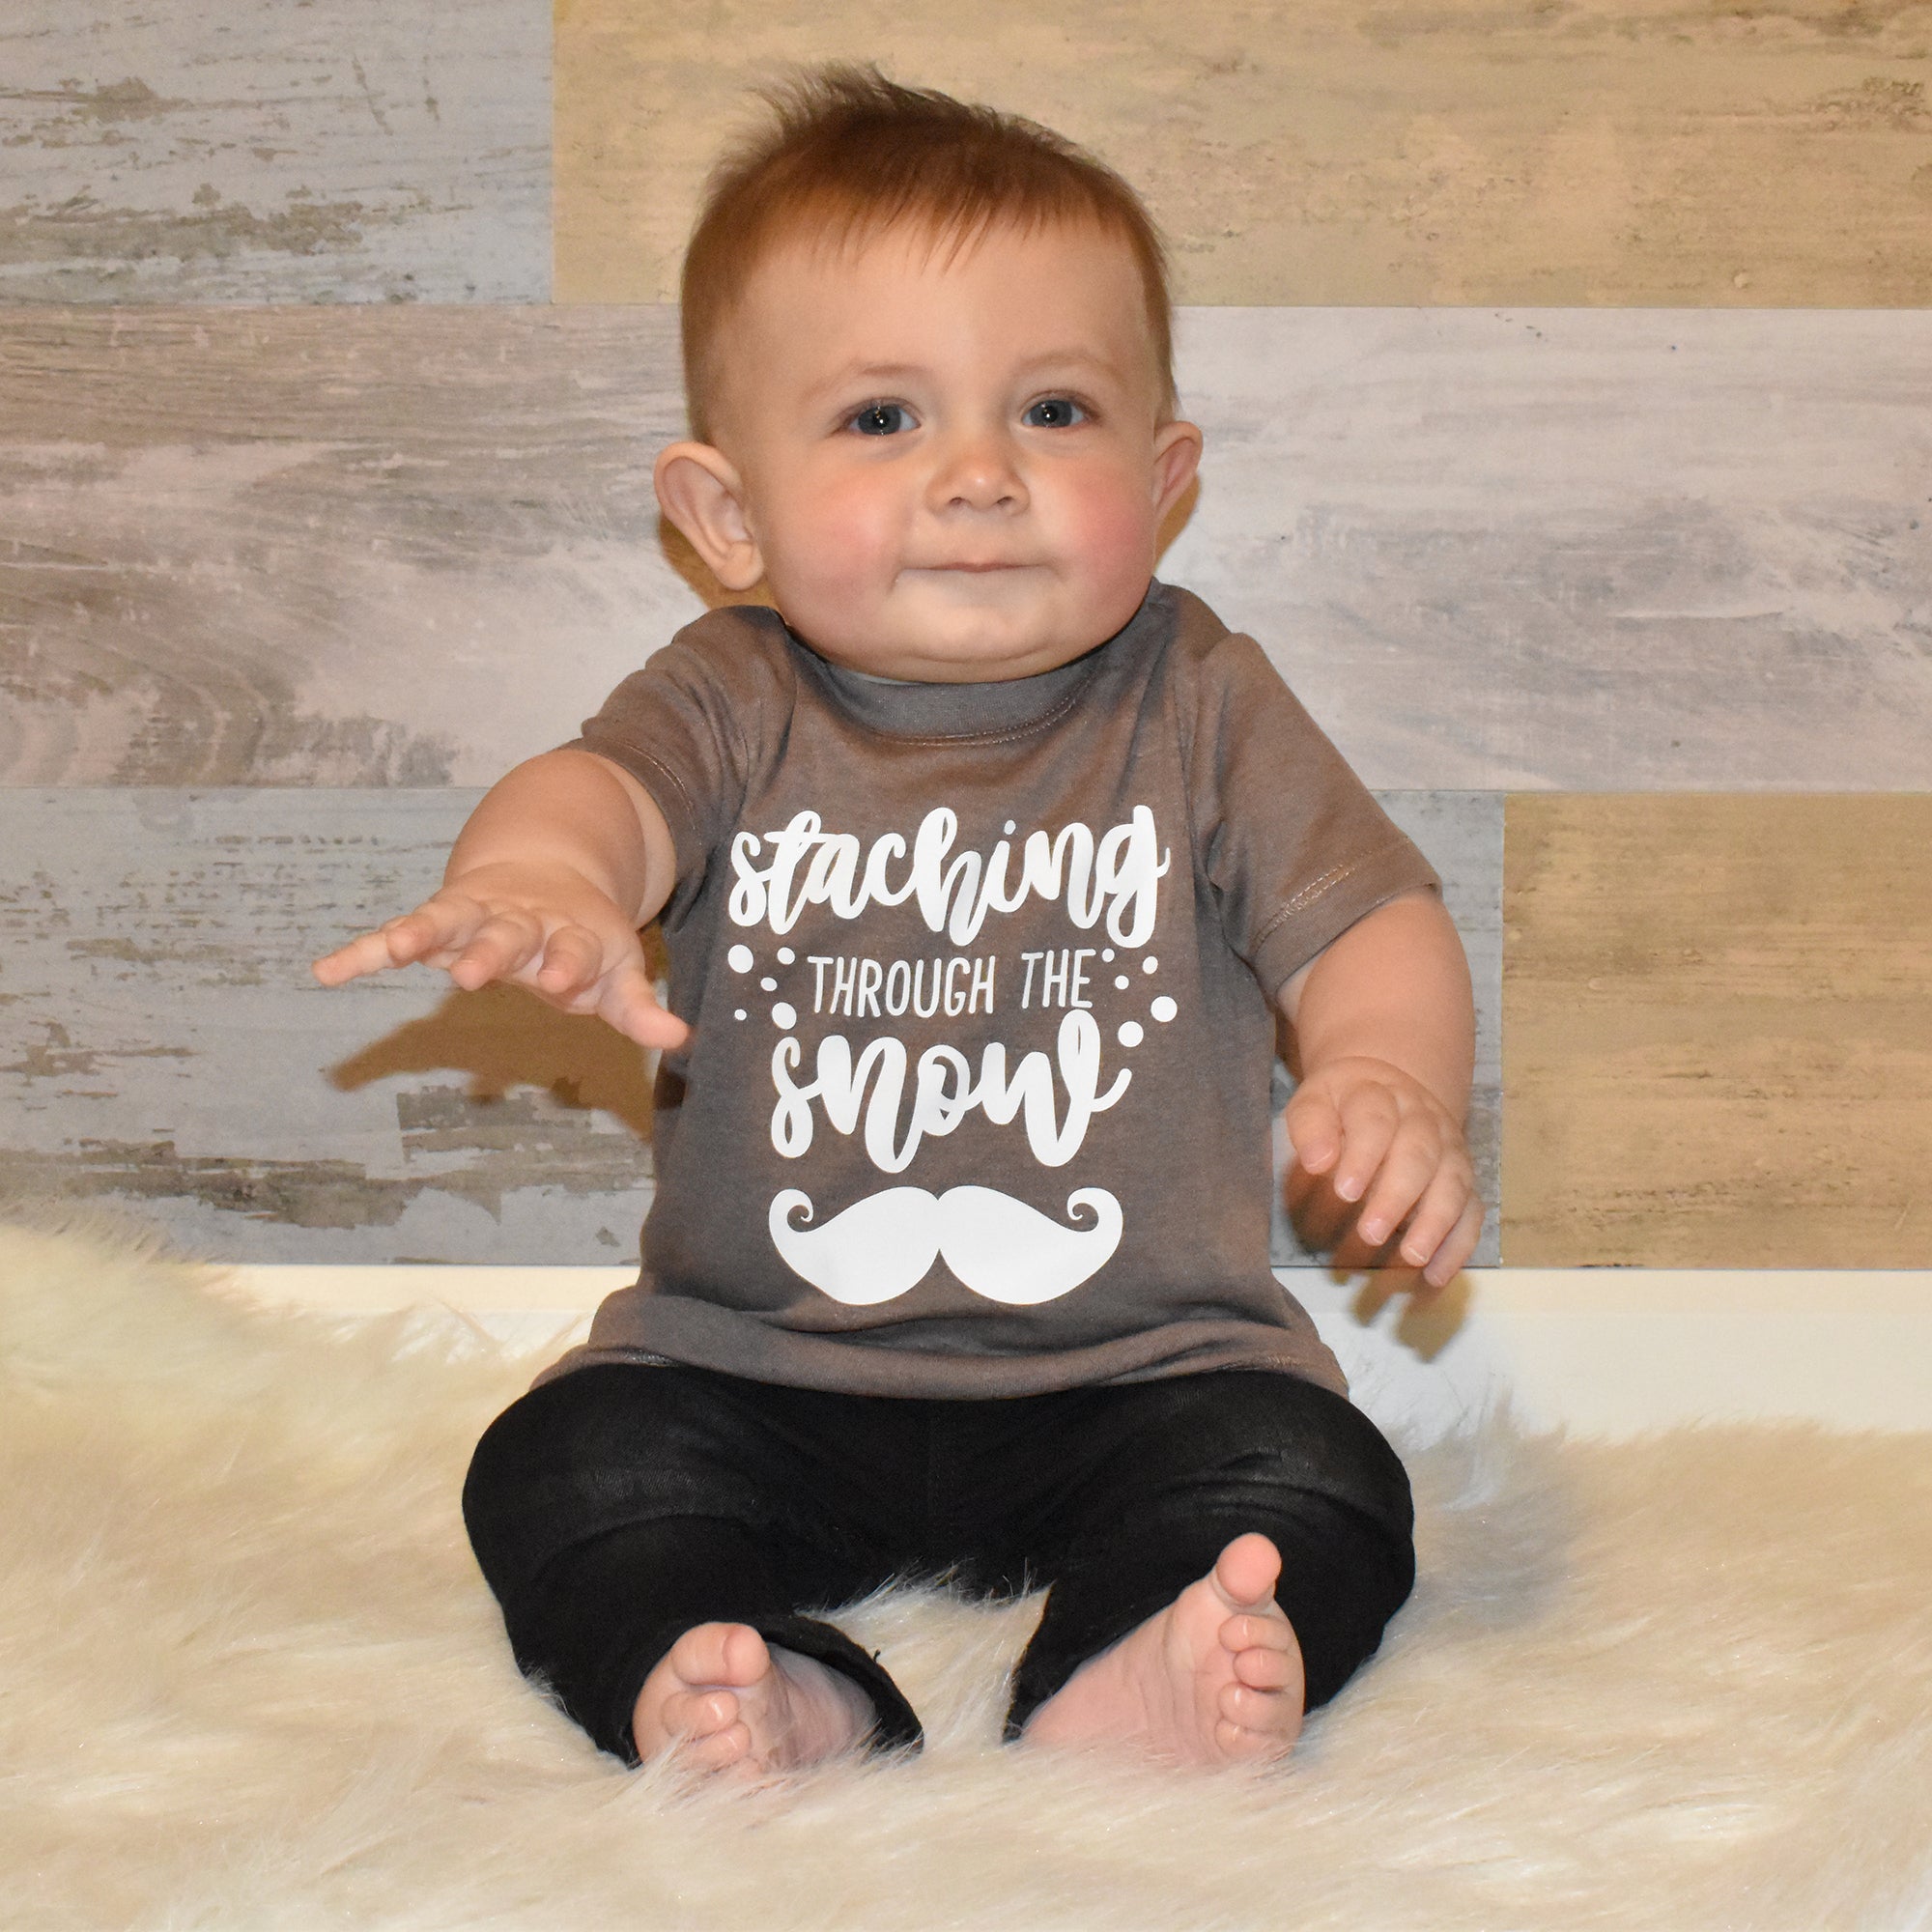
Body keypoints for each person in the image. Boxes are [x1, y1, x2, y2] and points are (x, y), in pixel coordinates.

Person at [314, 66, 1481, 1779]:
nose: (980, 476)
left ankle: (1137, 1660)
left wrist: (1389, 1073)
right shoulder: (733, 694)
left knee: (1312, 1477)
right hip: (751, 1378)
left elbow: (1369, 919)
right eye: (882, 419)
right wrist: (551, 885)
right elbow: (594, 801)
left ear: (1163, 480)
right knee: (565, 1465)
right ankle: (751, 1680)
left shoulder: (1202, 697)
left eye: (1056, 413)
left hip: (1145, 1379)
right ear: (725, 517)